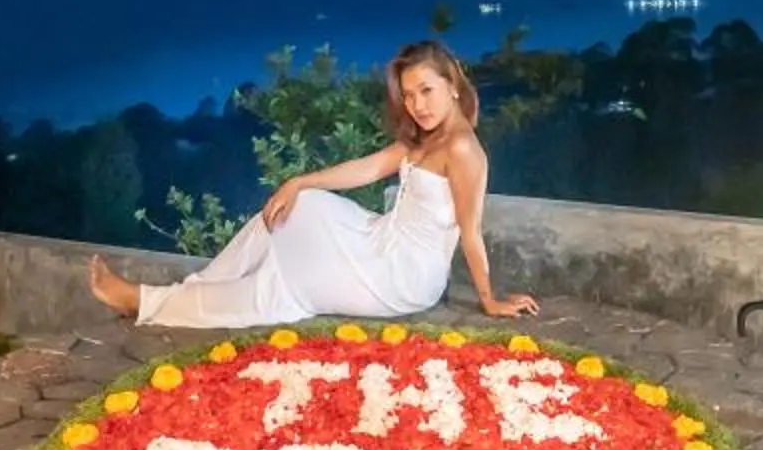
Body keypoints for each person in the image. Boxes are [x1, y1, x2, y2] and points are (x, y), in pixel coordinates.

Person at [87, 39, 542, 327]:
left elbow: (470, 231)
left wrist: (489, 300)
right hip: (381, 240)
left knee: (284, 285)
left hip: (404, 276)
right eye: (408, 95)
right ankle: (194, 288)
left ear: (453, 86)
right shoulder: (428, 137)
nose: (418, 105)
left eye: (427, 91)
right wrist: (297, 182)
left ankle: (146, 302)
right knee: (294, 208)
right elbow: (368, 168)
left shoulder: (462, 150)